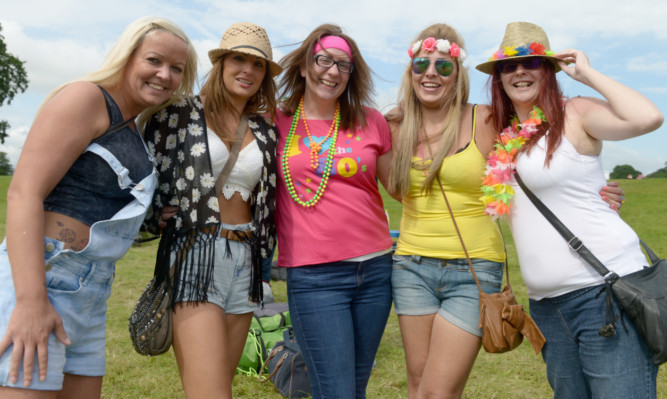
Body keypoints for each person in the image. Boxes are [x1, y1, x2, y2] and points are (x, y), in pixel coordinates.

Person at [385, 23, 626, 399]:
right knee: (417, 387)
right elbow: (395, 190)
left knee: (437, 392)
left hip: (473, 269)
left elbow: (544, 153)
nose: (431, 73)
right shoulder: (394, 126)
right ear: (410, 72)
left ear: (458, 74)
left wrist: (596, 187)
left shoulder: (487, 119)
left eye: (443, 66)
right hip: (410, 266)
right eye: (421, 65)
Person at [0, 16, 196, 398]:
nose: (165, 75)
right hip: (47, 277)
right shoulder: (86, 98)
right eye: (154, 60)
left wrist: (157, 216)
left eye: (177, 68)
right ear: (128, 56)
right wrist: (30, 302)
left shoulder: (133, 128)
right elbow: (24, 192)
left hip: (91, 291)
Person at [477, 22, 663, 398]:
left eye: (531, 62)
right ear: (499, 78)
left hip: (602, 294)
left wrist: (587, 72)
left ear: (549, 69)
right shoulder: (504, 138)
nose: (519, 71)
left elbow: (648, 118)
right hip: (547, 308)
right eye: (508, 66)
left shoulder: (574, 113)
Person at [144, 22, 280, 399]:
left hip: (246, 259)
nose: (248, 71)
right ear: (220, 63)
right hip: (196, 255)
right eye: (239, 59)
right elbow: (140, 169)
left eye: (258, 65)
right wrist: (156, 213)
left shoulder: (266, 129)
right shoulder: (178, 114)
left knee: (221, 385)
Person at [275, 24, 394, 398]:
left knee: (354, 389)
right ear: (304, 67)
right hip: (314, 277)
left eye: (343, 65)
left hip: (376, 271)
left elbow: (399, 187)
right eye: (323, 60)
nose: (332, 71)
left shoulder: (371, 120)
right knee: (336, 391)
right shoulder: (274, 121)